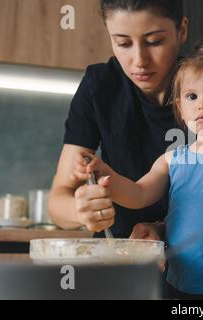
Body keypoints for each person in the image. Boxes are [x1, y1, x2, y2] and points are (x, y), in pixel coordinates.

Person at [73, 45, 203, 300]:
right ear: (180, 106)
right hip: (179, 285)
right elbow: (138, 193)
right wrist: (105, 173)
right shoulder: (172, 159)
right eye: (192, 97)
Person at [48, 0, 189, 238]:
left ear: (182, 31)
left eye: (154, 41)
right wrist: (80, 211)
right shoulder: (99, 86)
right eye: (123, 43)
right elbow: (58, 199)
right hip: (116, 259)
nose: (139, 60)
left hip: (194, 258)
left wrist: (162, 230)